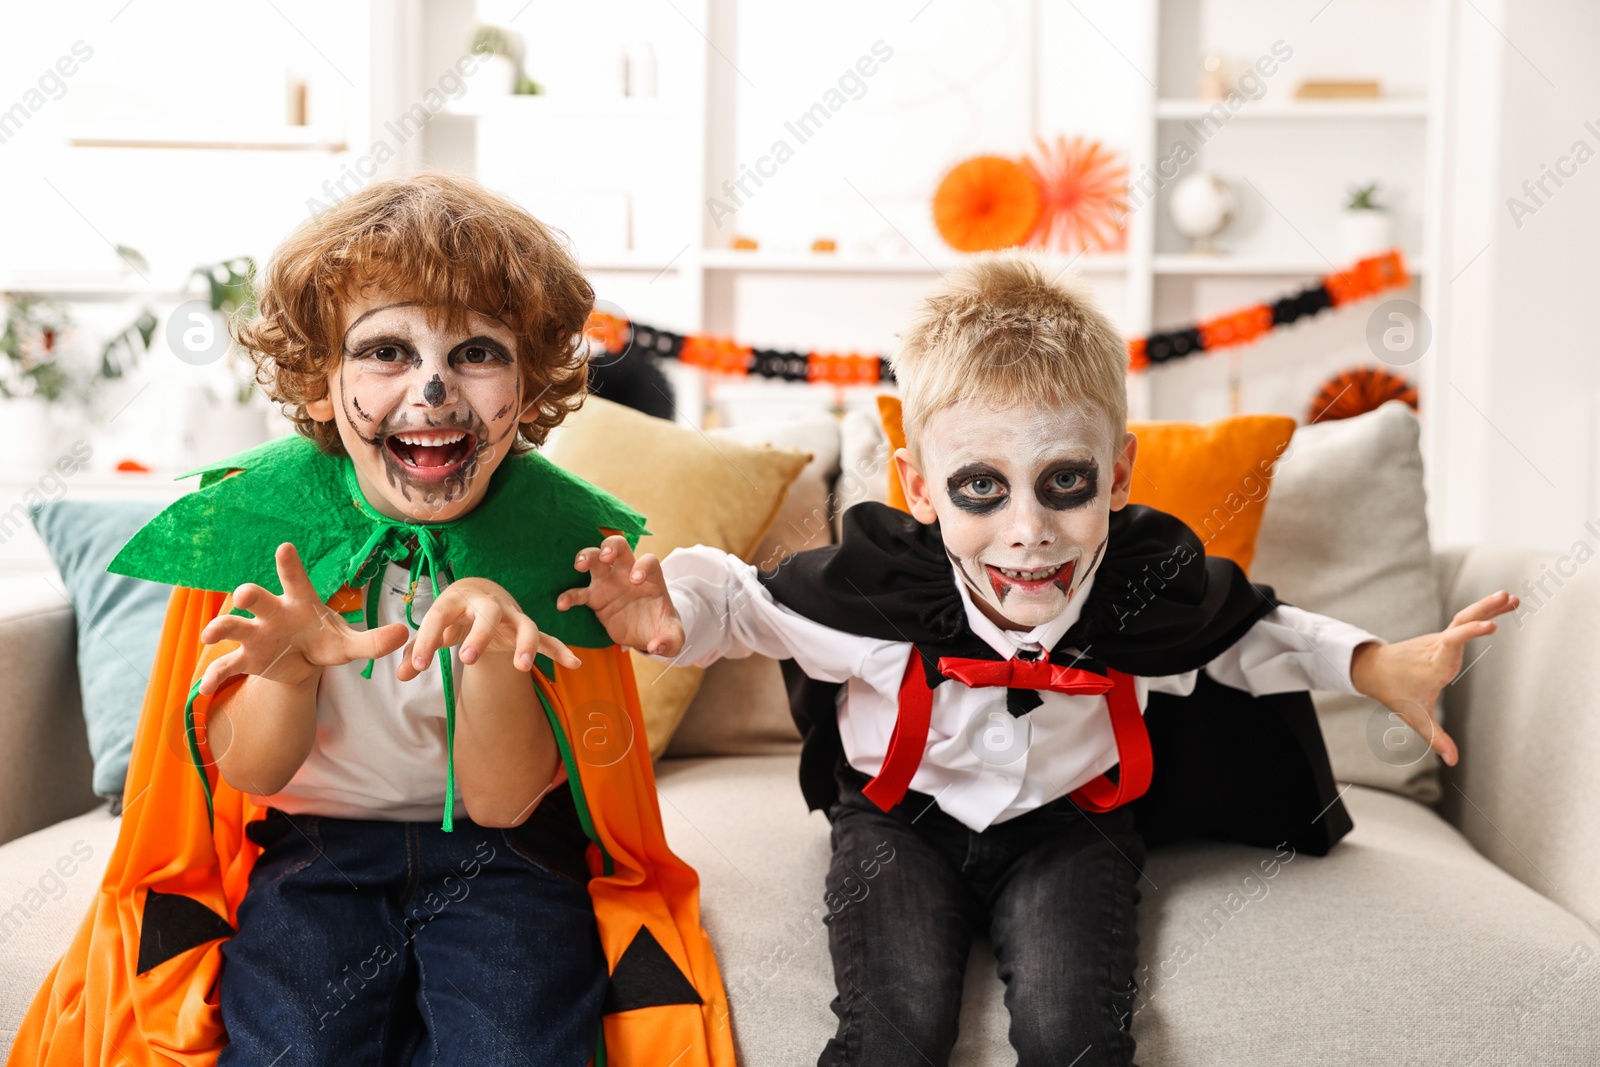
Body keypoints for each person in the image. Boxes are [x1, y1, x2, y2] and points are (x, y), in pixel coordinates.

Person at [556, 251, 1518, 1067]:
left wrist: (1377, 664)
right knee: (893, 1030)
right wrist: (669, 611)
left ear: (1121, 477)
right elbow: (748, 602)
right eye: (982, 487)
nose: (1029, 532)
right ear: (919, 488)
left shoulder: (1145, 588)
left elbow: (1252, 635)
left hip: (1072, 828)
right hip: (900, 826)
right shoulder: (875, 586)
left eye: (1067, 483)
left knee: (1077, 1034)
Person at [8, 172, 735, 1067]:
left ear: (531, 386)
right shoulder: (265, 526)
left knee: (513, 1046)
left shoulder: (559, 542)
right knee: (295, 1049)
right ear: (321, 382)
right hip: (317, 853)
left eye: (476, 352)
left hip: (502, 856)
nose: (433, 390)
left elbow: (507, 801)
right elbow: (249, 770)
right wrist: (288, 671)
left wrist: (490, 649)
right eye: (387, 351)